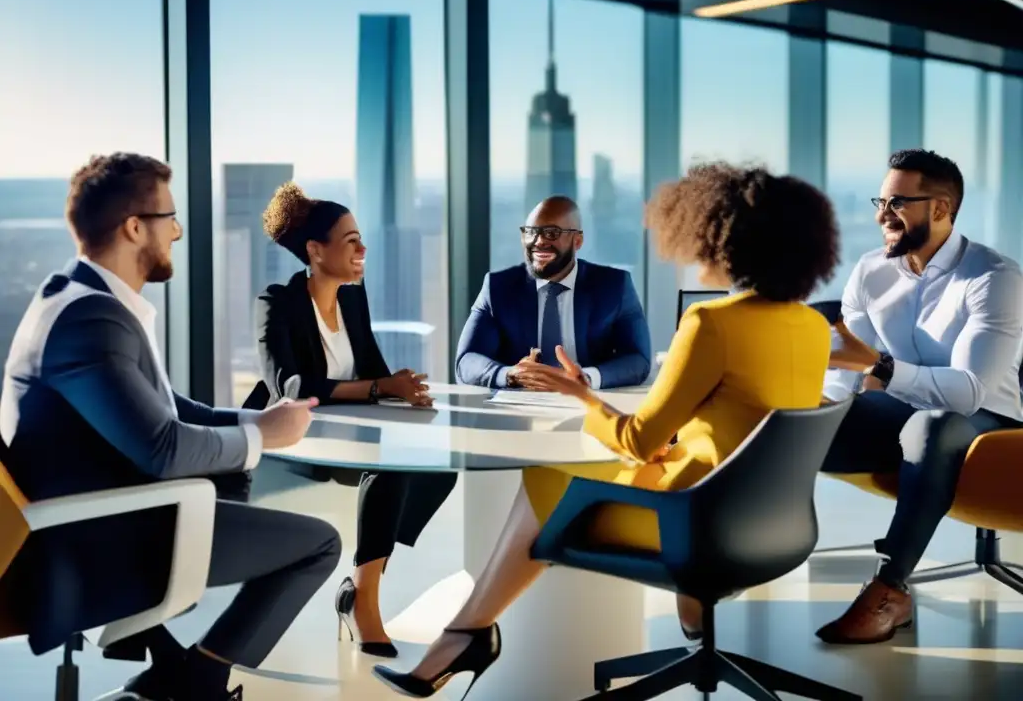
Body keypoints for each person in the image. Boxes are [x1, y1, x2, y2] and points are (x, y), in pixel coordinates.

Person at [373, 163, 840, 698]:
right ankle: (689, 621)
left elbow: (639, 438)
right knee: (607, 471)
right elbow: (753, 417)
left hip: (698, 521)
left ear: (718, 238)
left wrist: (582, 397)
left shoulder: (711, 323)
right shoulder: (810, 326)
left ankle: (465, 635)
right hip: (772, 521)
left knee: (547, 479)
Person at [0, 153, 341, 701]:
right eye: (170, 218)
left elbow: (166, 405)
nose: (178, 232)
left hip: (105, 514)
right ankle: (194, 683)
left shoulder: (84, 297)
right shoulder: (90, 319)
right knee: (320, 545)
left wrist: (253, 418)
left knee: (256, 509)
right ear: (135, 227)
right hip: (94, 542)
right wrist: (263, 438)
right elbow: (162, 448)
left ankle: (171, 676)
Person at [816, 148, 1023, 645]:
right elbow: (846, 364)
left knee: (932, 424)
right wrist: (824, 408)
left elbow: (969, 391)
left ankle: (890, 589)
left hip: (987, 419)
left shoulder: (993, 279)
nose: (881, 215)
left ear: (940, 208)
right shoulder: (872, 270)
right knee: (804, 421)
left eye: (897, 203)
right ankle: (731, 552)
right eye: (880, 201)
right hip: (903, 408)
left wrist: (878, 367)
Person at [246, 182, 456, 659]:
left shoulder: (353, 299)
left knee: (437, 465)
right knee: (387, 472)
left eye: (361, 238)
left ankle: (362, 582)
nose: (363, 248)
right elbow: (292, 388)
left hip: (351, 433)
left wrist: (406, 391)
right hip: (295, 436)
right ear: (315, 251)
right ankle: (365, 602)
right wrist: (382, 389)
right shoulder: (277, 303)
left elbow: (373, 369)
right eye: (351, 241)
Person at [455, 196, 651, 390]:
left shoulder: (614, 286)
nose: (539, 241)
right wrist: (510, 374)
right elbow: (467, 360)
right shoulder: (498, 288)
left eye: (552, 233)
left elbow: (638, 360)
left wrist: (586, 378)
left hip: (589, 404)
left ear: (577, 241)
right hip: (518, 408)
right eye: (531, 232)